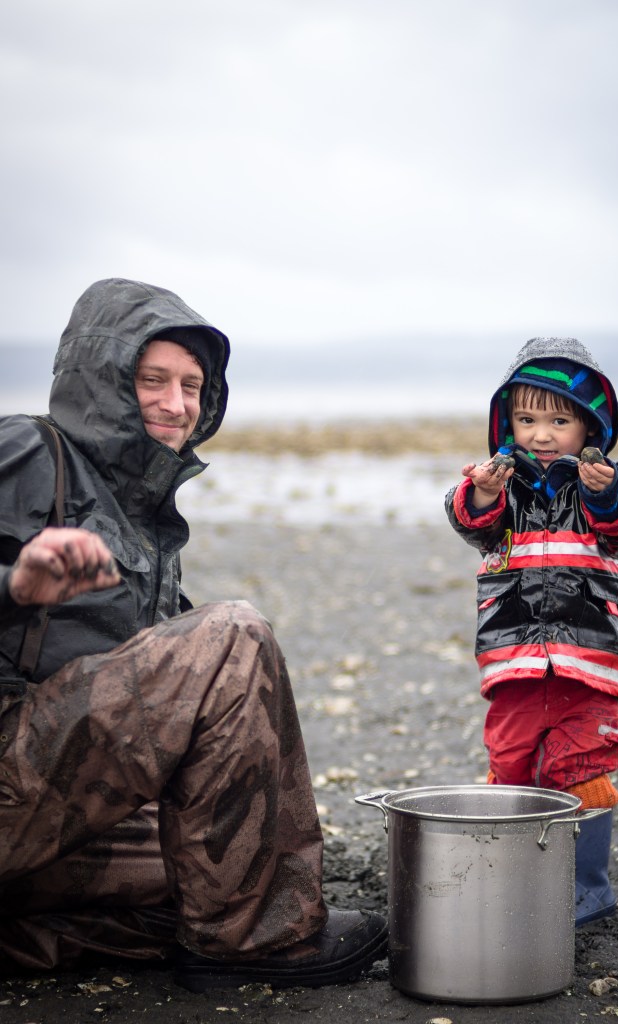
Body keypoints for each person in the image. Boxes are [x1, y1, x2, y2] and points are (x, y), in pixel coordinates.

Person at [0, 278, 387, 990]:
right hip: (9, 769)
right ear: (101, 379)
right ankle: (251, 947)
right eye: (151, 379)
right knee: (232, 635)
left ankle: (43, 931)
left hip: (43, 801)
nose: (176, 404)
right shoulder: (25, 449)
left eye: (192, 384)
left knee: (223, 865)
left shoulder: (143, 520)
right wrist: (15, 587)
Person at [444, 337, 618, 925]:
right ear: (506, 422)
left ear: (589, 428)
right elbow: (470, 522)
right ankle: (512, 871)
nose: (541, 434)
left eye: (558, 420)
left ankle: (587, 884)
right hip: (513, 657)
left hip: (587, 659)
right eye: (527, 418)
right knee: (511, 760)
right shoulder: (501, 484)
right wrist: (481, 491)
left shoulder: (600, 485)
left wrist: (607, 491)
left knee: (584, 764)